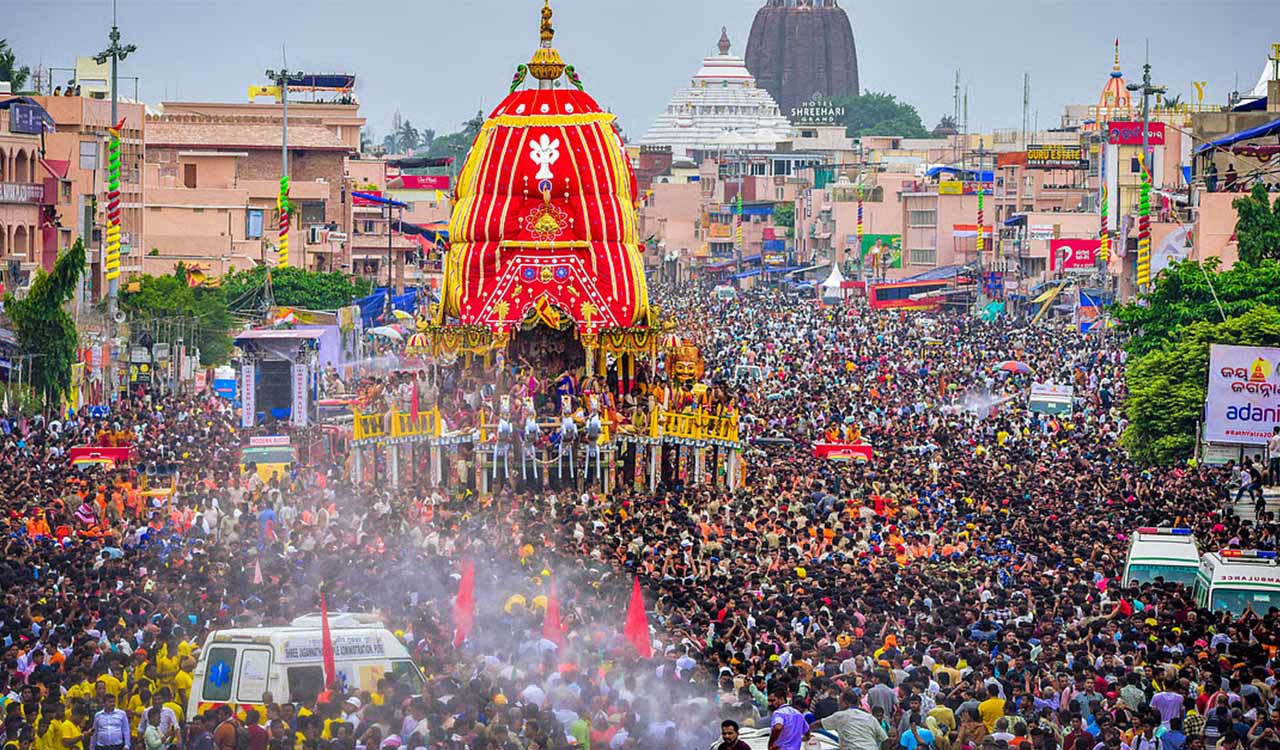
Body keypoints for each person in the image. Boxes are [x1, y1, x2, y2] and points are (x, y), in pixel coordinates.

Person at [818, 691, 887, 750]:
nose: (838, 705)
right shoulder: (870, 717)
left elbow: (818, 724)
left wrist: (807, 732)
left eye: (840, 703)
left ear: (846, 703)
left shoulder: (841, 715)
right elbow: (884, 739)